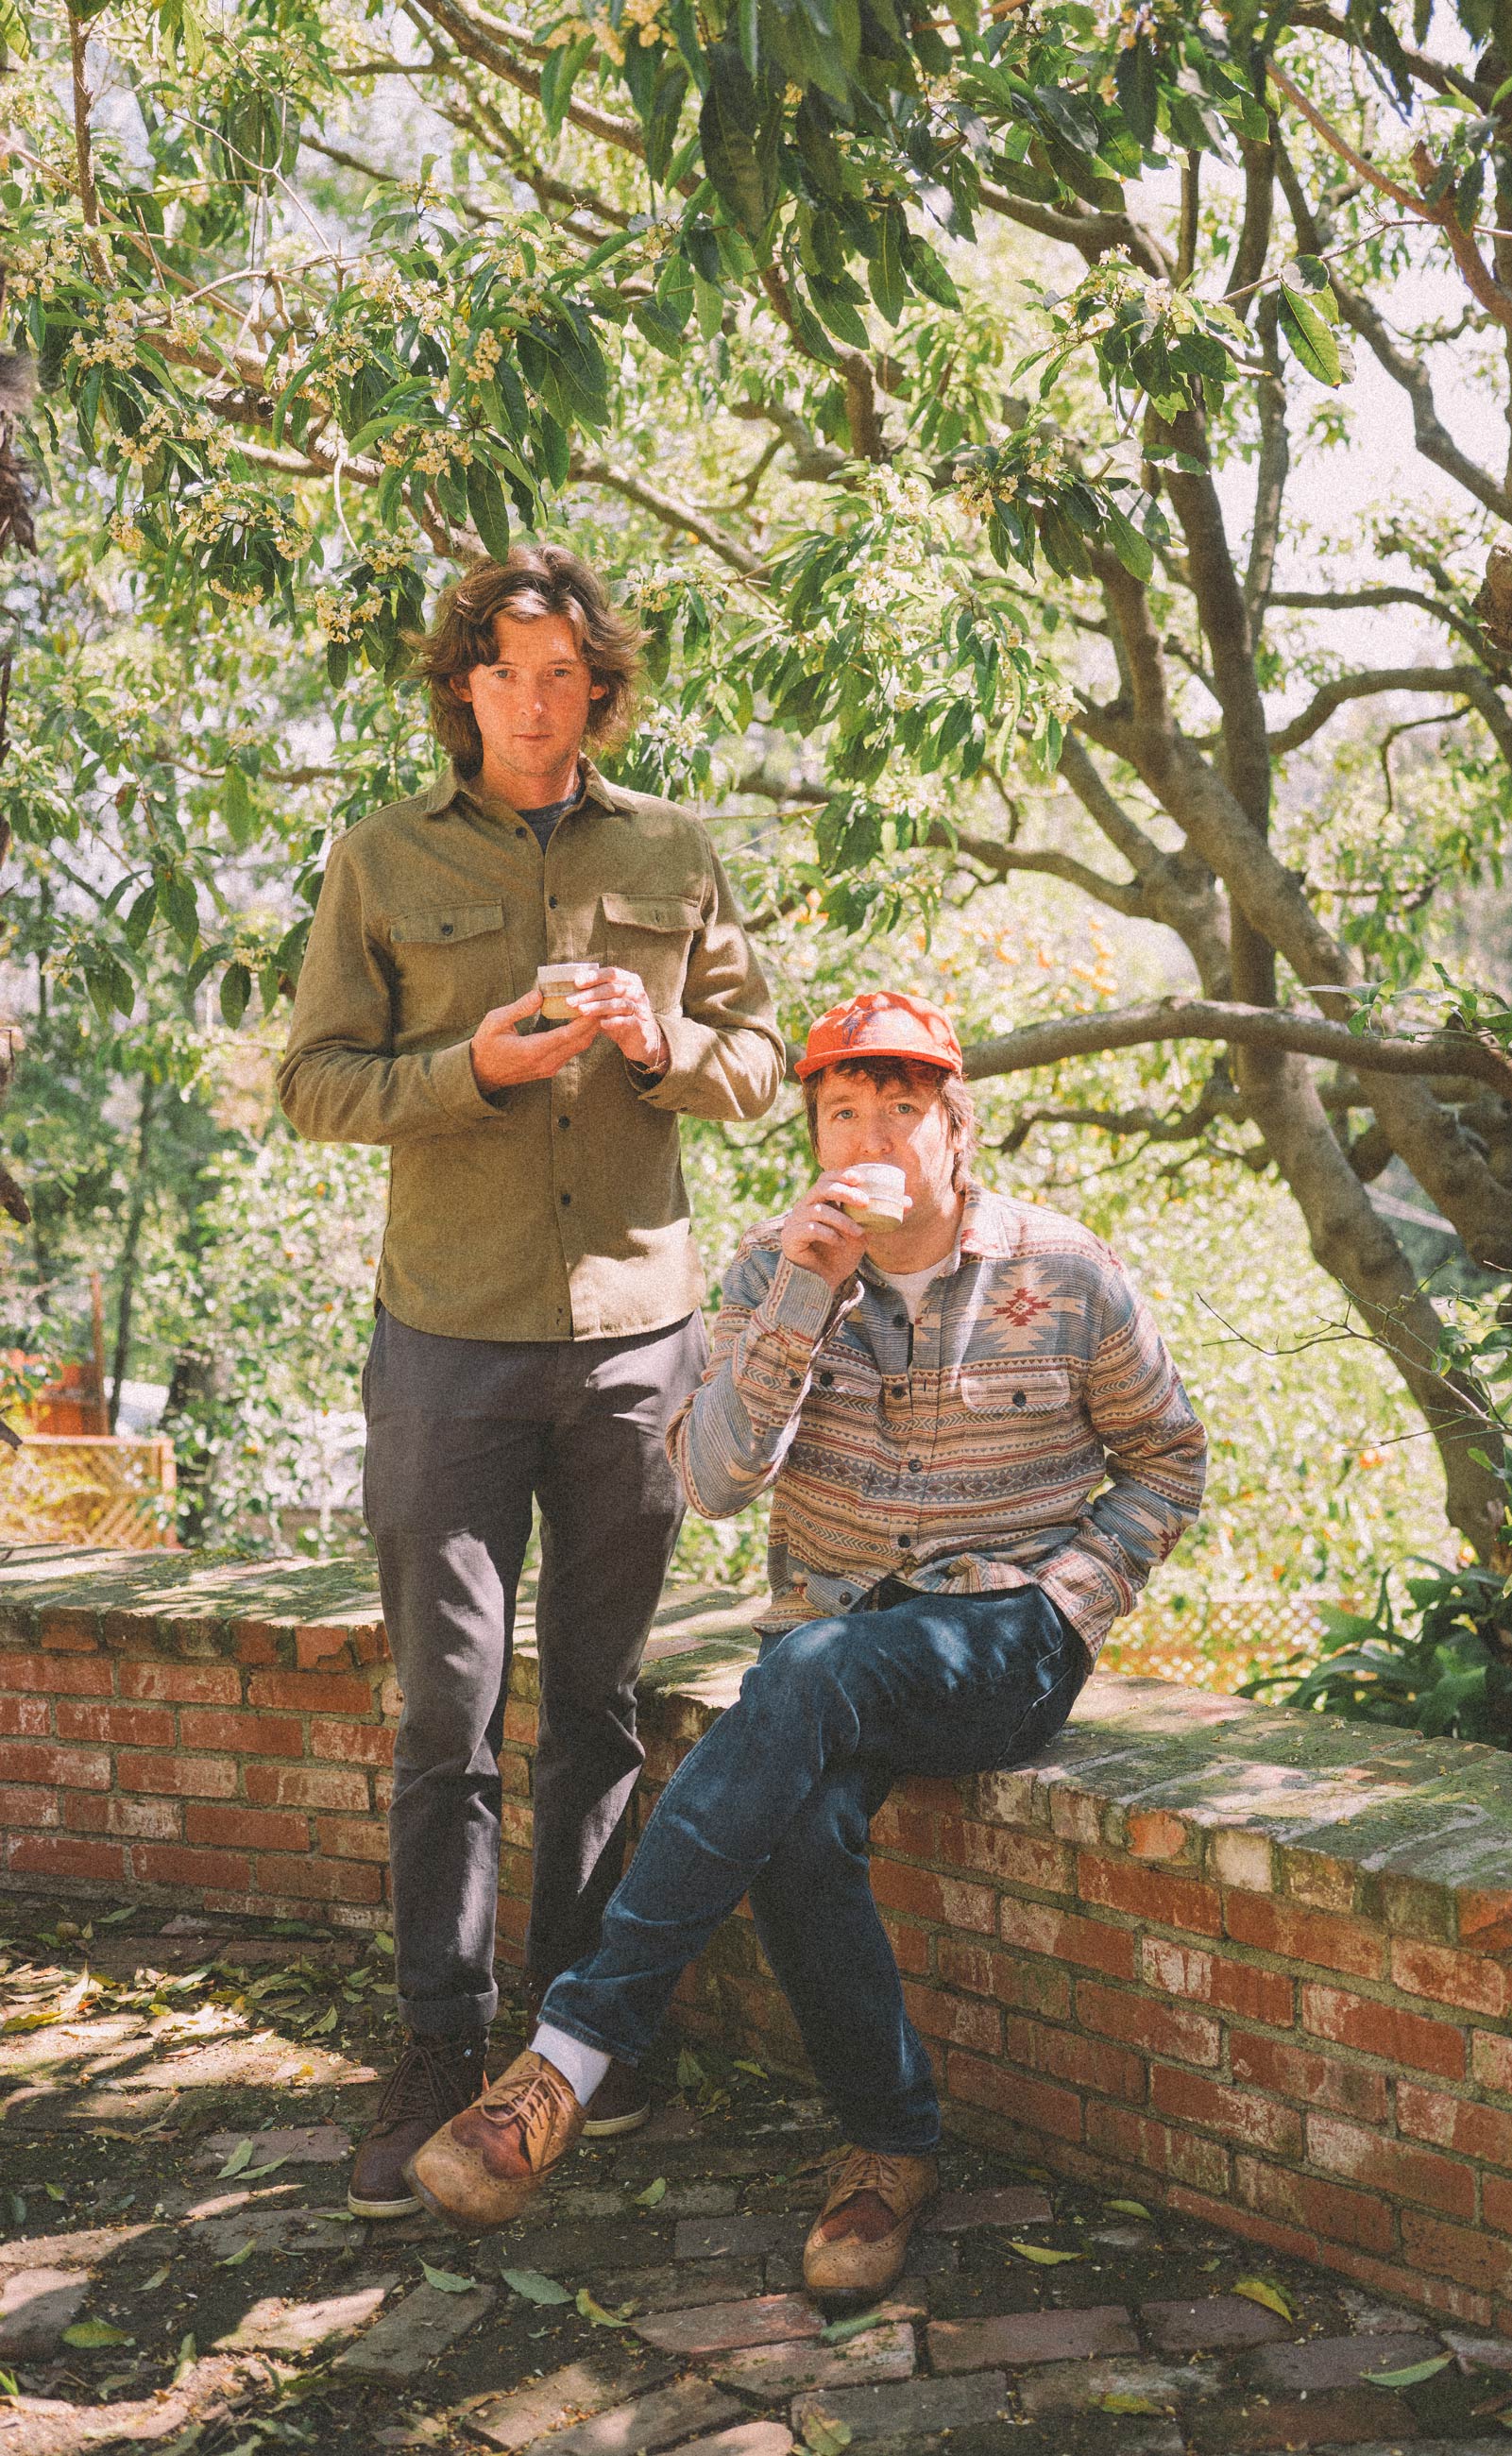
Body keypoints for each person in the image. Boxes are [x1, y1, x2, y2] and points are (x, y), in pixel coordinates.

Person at [406, 988, 1206, 2295]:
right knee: (799, 1813)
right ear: (817, 1141)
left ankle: (572, 2055)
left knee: (800, 1679)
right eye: (844, 1111)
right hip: (833, 1641)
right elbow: (714, 1480)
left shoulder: (1063, 1272)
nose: (874, 1131)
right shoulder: (769, 1269)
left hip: (1003, 1635)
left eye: (903, 1105)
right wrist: (804, 1298)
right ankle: (890, 2149)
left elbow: (1167, 1460)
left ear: (955, 1129)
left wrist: (1075, 1592)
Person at [276, 544, 785, 2219]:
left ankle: (572, 2043)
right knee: (447, 1710)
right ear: (464, 686)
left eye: (569, 674)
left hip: (637, 1341)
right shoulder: (378, 857)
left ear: (600, 687)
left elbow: (764, 1070)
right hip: (447, 1339)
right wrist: (471, 1071)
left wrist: (662, 1046)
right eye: (511, 672)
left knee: (598, 1710)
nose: (541, 702)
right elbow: (316, 1086)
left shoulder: (675, 850)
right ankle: (439, 2038)